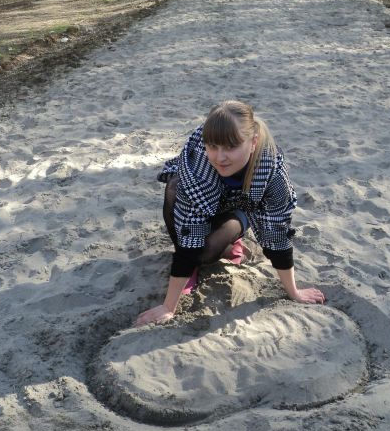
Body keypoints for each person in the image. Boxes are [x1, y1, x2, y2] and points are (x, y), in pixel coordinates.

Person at [136, 100, 325, 326]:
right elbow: (190, 230)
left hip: (243, 207)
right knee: (175, 191)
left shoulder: (272, 172)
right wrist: (169, 306)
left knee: (206, 252)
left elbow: (276, 233)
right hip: (203, 199)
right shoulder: (197, 165)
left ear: (253, 142)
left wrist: (294, 292)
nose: (220, 157)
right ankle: (190, 269)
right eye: (213, 146)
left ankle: (231, 239)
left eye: (230, 147)